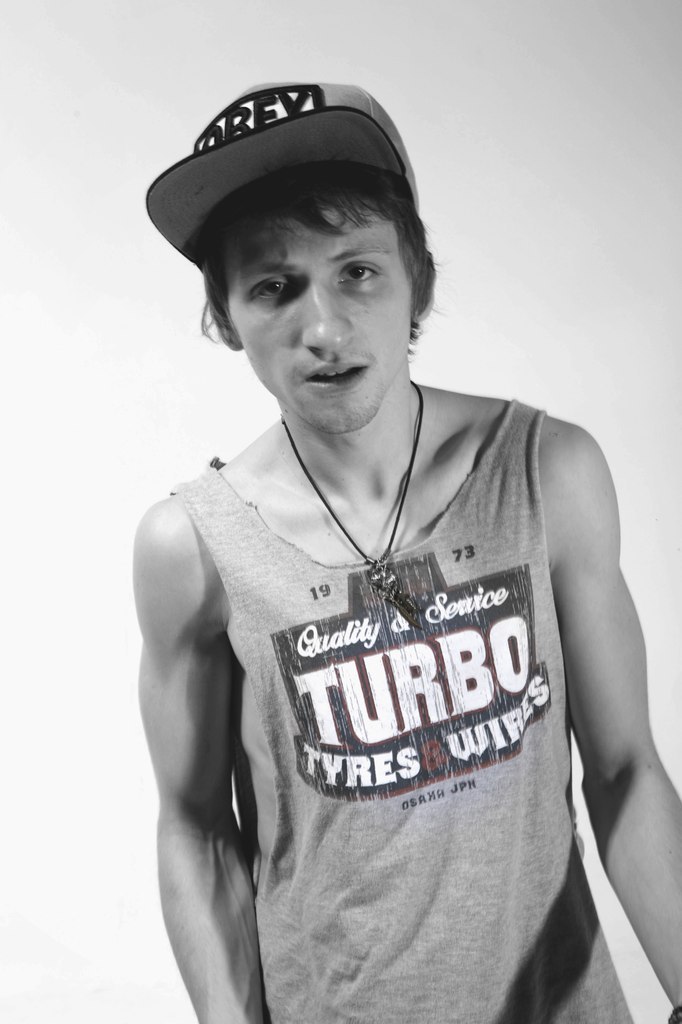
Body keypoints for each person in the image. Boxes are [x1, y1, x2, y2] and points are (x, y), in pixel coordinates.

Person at [135, 83, 682, 1024]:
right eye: (274, 287)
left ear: (417, 279)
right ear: (224, 317)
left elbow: (626, 769)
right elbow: (197, 830)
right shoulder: (191, 546)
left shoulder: (546, 473)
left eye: (357, 271)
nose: (324, 330)